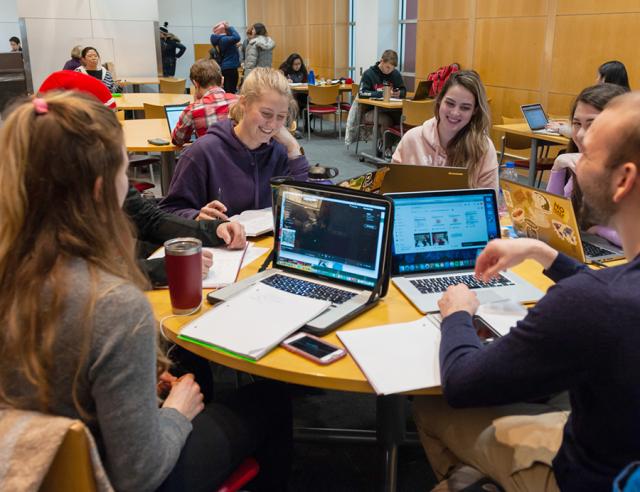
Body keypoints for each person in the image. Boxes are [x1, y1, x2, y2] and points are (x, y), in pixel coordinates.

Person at [0, 91, 292, 491]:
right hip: (108, 474)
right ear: (105, 188)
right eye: (126, 172)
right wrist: (176, 411)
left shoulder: (16, 270)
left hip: (23, 459)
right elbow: (139, 472)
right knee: (269, 400)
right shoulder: (112, 305)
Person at [413, 90, 640, 491]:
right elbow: (612, 295)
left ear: (624, 180)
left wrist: (458, 314)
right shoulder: (610, 293)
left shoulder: (589, 303)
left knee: (432, 403)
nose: (577, 146)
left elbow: (463, 382)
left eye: (589, 149)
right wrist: (544, 253)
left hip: (584, 475)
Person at [37, 70, 246, 287]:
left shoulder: (94, 173)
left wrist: (212, 231)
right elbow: (82, 274)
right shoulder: (41, 202)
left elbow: (146, 219)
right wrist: (166, 267)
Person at [159, 67, 309, 220]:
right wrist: (196, 216)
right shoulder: (203, 152)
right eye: (266, 114)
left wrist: (293, 148)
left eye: (281, 117)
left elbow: (304, 209)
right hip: (219, 242)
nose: (272, 125)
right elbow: (169, 210)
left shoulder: (281, 152)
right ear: (244, 103)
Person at [546, 83, 628, 247]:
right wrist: (557, 169)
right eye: (577, 124)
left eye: (592, 124)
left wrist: (598, 230)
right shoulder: (583, 164)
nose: (581, 134)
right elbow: (553, 219)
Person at [392, 70, 498, 191]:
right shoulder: (412, 139)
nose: (455, 113)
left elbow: (489, 202)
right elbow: (392, 191)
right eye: (450, 103)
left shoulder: (483, 148)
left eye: (465, 108)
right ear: (439, 101)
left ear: (474, 111)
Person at [171, 58, 238, 146]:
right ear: (222, 81)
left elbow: (177, 140)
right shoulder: (240, 101)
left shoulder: (192, 109)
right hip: (240, 158)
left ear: (195, 84)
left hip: (210, 158)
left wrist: (196, 103)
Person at [359, 49, 407, 152]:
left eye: (392, 68)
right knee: (386, 120)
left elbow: (403, 90)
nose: (389, 70)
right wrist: (382, 93)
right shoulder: (369, 74)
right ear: (381, 61)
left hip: (391, 109)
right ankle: (386, 149)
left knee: (404, 118)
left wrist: (400, 93)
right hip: (371, 111)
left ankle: (391, 146)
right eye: (388, 67)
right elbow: (362, 93)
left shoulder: (395, 74)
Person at [279, 53, 308, 135]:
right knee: (293, 104)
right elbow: (278, 80)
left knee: (310, 103)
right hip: (288, 96)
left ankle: (307, 126)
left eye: (299, 64)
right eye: (295, 64)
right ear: (290, 64)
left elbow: (306, 80)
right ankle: (291, 127)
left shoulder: (303, 70)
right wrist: (285, 80)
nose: (297, 66)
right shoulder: (284, 69)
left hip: (302, 94)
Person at [210, 21, 241, 93]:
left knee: (228, 89)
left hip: (227, 67)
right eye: (226, 29)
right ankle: (230, 103)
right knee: (230, 90)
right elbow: (237, 37)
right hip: (230, 68)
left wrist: (234, 47)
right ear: (224, 30)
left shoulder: (220, 39)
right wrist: (230, 28)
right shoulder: (224, 39)